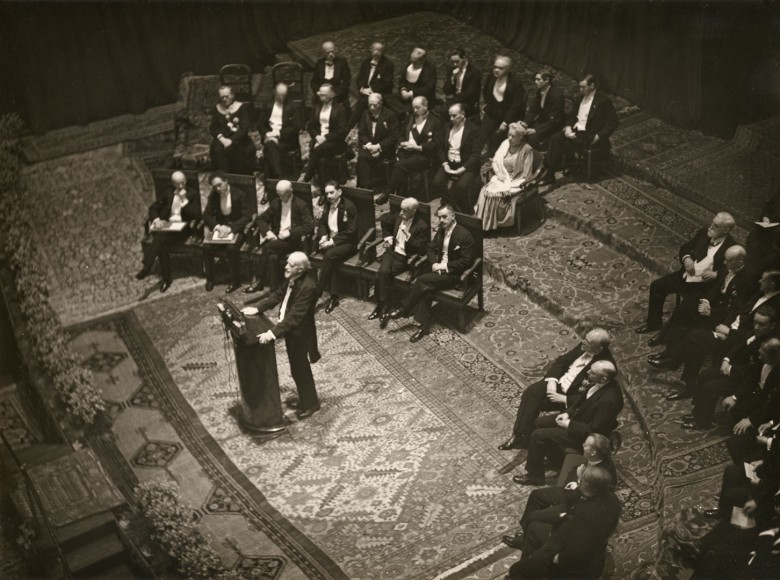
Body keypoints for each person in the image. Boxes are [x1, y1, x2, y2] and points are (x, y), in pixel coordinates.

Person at [649, 269, 780, 392]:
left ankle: (674, 361)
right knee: (696, 342)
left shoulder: (776, 305)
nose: (759, 281)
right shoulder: (759, 294)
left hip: (740, 342)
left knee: (696, 335)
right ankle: (688, 384)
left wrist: (729, 333)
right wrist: (725, 326)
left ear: (772, 284)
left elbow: (760, 334)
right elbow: (736, 311)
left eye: (763, 280)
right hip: (728, 328)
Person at [498, 328, 615, 451]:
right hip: (559, 383)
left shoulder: (604, 368)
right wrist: (552, 381)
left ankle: (537, 439)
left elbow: (593, 398)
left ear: (599, 349)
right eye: (585, 339)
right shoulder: (586, 345)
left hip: (571, 396)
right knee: (532, 392)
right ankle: (520, 435)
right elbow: (561, 362)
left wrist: (565, 399)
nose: (583, 342)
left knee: (532, 406)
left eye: (588, 342)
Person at [515, 360, 623, 487]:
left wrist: (569, 424)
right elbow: (579, 402)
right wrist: (567, 413)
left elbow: (594, 430)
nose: (588, 372)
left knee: (537, 435)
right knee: (540, 422)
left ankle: (535, 476)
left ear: (603, 378)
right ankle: (556, 460)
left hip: (585, 435)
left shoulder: (609, 401)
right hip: (578, 419)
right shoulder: (598, 381)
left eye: (592, 372)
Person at [502, 433, 617, 550]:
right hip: (572, 490)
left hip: (575, 504)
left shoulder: (605, 475)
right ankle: (525, 530)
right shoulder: (596, 458)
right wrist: (573, 482)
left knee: (534, 517)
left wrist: (576, 485)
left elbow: (588, 501)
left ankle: (525, 541)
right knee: (536, 495)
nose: (582, 445)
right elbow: (575, 470)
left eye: (586, 445)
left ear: (593, 452)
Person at [507, 464, 621, 579]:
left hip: (569, 560)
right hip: (582, 546)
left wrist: (558, 559)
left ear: (586, 485)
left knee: (516, 571)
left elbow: (580, 551)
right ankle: (531, 564)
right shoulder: (614, 500)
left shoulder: (583, 514)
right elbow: (572, 500)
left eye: (582, 480)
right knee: (534, 527)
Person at [636, 212, 737, 336]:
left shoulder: (732, 247)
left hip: (702, 286)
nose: (711, 227)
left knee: (683, 309)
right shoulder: (703, 233)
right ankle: (654, 323)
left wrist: (716, 274)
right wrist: (687, 258)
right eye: (712, 222)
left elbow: (731, 271)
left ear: (726, 230)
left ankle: (666, 336)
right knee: (657, 286)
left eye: (716, 226)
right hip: (685, 276)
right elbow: (686, 248)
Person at [384, 204, 473, 342]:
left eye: (444, 217)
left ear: (453, 216)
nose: (441, 220)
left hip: (453, 275)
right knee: (427, 290)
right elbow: (430, 248)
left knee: (422, 280)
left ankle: (403, 309)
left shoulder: (464, 235)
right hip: (437, 270)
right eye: (439, 217)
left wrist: (444, 266)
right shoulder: (441, 230)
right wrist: (435, 264)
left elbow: (466, 261)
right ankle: (424, 326)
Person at [683, 306, 778, 429]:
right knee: (705, 374)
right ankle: (698, 413)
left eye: (761, 324)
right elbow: (738, 345)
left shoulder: (768, 346)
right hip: (734, 370)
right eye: (755, 322)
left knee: (710, 387)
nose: (756, 327)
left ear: (772, 326)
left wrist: (730, 372)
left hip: (744, 380)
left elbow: (752, 372)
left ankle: (702, 422)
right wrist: (726, 360)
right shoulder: (755, 332)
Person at [256, 252, 322, 420]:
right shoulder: (294, 278)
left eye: (290, 265)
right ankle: (307, 400)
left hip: (300, 333)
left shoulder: (308, 287)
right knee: (296, 368)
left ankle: (311, 404)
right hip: (292, 330)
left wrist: (272, 333)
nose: (285, 267)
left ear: (300, 269)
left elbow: (295, 316)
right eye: (287, 263)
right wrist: (258, 308)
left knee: (301, 368)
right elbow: (278, 294)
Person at [652, 245, 755, 352]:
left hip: (722, 314)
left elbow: (735, 309)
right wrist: (706, 301)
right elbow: (716, 287)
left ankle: (671, 351)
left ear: (740, 262)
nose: (724, 262)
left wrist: (711, 311)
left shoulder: (747, 280)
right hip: (714, 304)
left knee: (693, 321)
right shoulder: (729, 266)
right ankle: (666, 337)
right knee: (686, 306)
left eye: (728, 260)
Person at [539, 73, 619, 186]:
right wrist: (568, 127)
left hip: (589, 135)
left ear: (592, 86)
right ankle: (549, 175)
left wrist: (599, 136)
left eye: (583, 87)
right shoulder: (579, 98)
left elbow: (614, 121)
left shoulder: (603, 100)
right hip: (576, 131)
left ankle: (555, 168)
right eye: (580, 87)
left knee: (561, 143)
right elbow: (572, 116)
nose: (580, 89)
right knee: (554, 138)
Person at [136, 171, 201, 293]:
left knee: (161, 236)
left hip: (183, 230)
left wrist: (185, 203)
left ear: (186, 180)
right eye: (177, 183)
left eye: (182, 182)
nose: (180, 186)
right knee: (163, 243)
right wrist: (157, 220)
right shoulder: (167, 194)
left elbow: (196, 214)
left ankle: (148, 267)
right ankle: (166, 279)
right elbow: (153, 208)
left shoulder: (192, 194)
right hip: (168, 228)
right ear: (172, 183)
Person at [244, 180, 313, 294]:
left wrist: (290, 233)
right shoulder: (276, 203)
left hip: (293, 241)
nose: (280, 197)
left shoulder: (301, 204)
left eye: (283, 194)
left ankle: (260, 280)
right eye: (278, 193)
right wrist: (268, 232)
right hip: (277, 240)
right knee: (272, 258)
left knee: (267, 248)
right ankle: (274, 290)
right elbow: (261, 219)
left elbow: (309, 226)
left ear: (291, 191)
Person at [369, 197, 430, 325]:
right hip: (392, 252)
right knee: (383, 272)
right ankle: (383, 306)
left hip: (404, 258)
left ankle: (381, 305)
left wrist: (409, 236)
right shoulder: (399, 216)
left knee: (382, 274)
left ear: (413, 211)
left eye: (405, 210)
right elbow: (385, 220)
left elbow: (421, 248)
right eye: (401, 209)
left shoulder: (422, 226)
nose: (401, 213)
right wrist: (388, 238)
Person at [473, 122, 536, 230]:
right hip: (502, 176)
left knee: (496, 196)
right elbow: (495, 161)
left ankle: (492, 225)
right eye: (509, 135)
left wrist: (510, 183)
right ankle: (484, 224)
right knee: (485, 192)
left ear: (520, 137)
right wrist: (498, 173)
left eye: (513, 136)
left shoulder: (527, 149)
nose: (510, 138)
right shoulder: (505, 144)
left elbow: (526, 174)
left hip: (517, 180)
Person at [380, 96, 439, 204]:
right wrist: (401, 143)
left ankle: (388, 193)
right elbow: (401, 134)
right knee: (399, 164)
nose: (415, 110)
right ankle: (401, 197)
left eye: (418, 108)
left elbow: (435, 144)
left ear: (426, 106)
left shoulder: (435, 121)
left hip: (423, 156)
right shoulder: (409, 118)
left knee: (400, 165)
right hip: (406, 152)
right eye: (413, 108)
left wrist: (418, 147)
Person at [202, 171, 252, 293]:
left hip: (235, 228)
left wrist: (231, 229)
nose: (218, 189)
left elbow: (247, 216)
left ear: (226, 181)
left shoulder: (240, 194)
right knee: (207, 247)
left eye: (220, 185)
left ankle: (235, 281)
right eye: (215, 187)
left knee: (231, 248)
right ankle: (210, 279)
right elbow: (206, 215)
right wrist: (217, 226)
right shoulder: (214, 195)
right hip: (220, 228)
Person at [315, 181, 357, 313]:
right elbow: (322, 223)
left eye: (331, 192)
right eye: (326, 193)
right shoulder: (328, 204)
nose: (328, 196)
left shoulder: (349, 206)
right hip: (330, 240)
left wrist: (332, 242)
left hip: (347, 243)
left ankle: (318, 290)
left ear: (339, 192)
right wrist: (323, 236)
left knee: (329, 256)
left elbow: (351, 231)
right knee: (333, 261)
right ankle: (334, 297)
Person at [432, 103, 480, 214]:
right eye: (450, 116)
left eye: (454, 116)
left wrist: (463, 168)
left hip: (466, 165)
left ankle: (466, 212)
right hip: (449, 163)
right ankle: (453, 206)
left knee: (461, 187)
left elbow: (476, 155)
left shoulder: (474, 129)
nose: (451, 119)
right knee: (436, 183)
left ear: (463, 114)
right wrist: (445, 163)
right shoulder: (447, 127)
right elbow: (440, 148)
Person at [477, 55, 526, 158]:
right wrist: (487, 104)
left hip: (507, 115)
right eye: (495, 67)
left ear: (507, 69)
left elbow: (517, 104)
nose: (496, 70)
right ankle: (473, 159)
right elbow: (486, 91)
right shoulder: (491, 77)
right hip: (492, 112)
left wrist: (506, 122)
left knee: (500, 139)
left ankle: (494, 156)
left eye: (500, 68)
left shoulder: (515, 82)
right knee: (481, 136)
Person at [303, 84, 349, 185]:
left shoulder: (340, 109)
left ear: (332, 94)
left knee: (317, 151)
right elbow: (310, 126)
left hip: (334, 142)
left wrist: (325, 138)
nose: (322, 97)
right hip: (319, 141)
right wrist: (317, 137)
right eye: (320, 95)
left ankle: (306, 179)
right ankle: (324, 187)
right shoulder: (316, 107)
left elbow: (342, 131)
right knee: (321, 160)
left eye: (324, 95)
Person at [356, 93, 399, 191]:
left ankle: (371, 187)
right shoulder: (365, 113)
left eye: (374, 105)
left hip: (385, 148)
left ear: (381, 104)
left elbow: (393, 137)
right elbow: (362, 133)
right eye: (370, 104)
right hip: (370, 147)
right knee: (362, 156)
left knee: (365, 156)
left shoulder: (390, 115)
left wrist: (378, 147)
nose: (372, 107)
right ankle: (365, 187)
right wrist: (369, 145)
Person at [209, 85, 256, 174]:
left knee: (240, 151)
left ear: (232, 96)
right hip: (222, 139)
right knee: (218, 150)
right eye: (222, 97)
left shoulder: (241, 107)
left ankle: (239, 177)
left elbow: (244, 128)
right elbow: (213, 127)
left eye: (227, 96)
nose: (224, 99)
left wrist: (231, 141)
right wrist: (221, 138)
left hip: (238, 139)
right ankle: (223, 177)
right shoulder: (217, 108)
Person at [259, 82, 302, 179]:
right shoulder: (267, 104)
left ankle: (273, 177)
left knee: (269, 148)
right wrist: (267, 134)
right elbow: (260, 124)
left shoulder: (292, 106)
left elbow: (295, 127)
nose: (282, 97)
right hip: (269, 136)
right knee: (270, 145)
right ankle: (278, 176)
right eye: (279, 95)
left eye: (284, 95)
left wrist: (277, 134)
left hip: (286, 139)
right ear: (274, 92)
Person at [349, 41, 395, 129]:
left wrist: (371, 90)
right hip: (365, 92)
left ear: (383, 52)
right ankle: (358, 127)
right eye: (375, 50)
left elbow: (386, 83)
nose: (376, 52)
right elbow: (359, 79)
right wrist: (362, 89)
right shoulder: (366, 62)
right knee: (361, 102)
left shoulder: (388, 65)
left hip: (381, 93)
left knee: (362, 103)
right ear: (371, 49)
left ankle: (349, 127)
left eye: (379, 50)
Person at [524, 70, 565, 150]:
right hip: (543, 122)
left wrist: (535, 130)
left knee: (532, 137)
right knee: (522, 132)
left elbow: (554, 121)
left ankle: (534, 156)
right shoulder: (540, 91)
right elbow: (534, 110)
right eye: (535, 79)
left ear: (547, 80)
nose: (535, 82)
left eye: (538, 79)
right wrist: (525, 123)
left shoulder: (557, 96)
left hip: (554, 125)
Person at [392, 47, 437, 116]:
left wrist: (410, 94)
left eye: (415, 61)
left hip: (420, 96)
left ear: (422, 60)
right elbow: (402, 81)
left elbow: (428, 88)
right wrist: (403, 90)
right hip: (405, 95)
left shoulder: (430, 69)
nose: (412, 63)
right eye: (411, 61)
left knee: (409, 110)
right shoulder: (409, 65)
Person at [309, 41, 351, 114]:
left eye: (332, 51)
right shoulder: (319, 63)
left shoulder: (342, 62)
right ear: (323, 53)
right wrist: (319, 92)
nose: (331, 54)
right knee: (316, 112)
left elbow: (347, 81)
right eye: (328, 52)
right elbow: (313, 81)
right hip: (322, 94)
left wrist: (335, 93)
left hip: (336, 93)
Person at [442, 48, 481, 120]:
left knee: (450, 110)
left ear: (464, 58)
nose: (455, 64)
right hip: (453, 99)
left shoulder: (474, 72)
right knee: (442, 111)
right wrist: (452, 78)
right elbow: (446, 90)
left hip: (468, 102)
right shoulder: (452, 70)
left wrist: (453, 98)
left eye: (457, 61)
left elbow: (471, 93)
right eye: (453, 62)